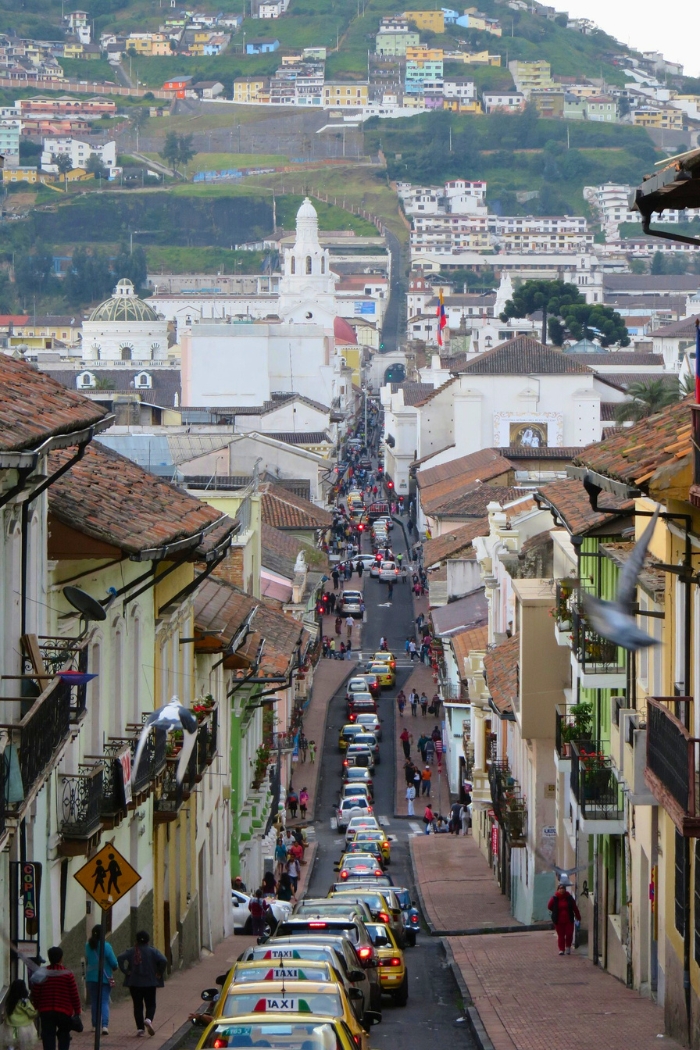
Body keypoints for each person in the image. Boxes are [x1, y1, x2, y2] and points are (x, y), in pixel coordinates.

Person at [30, 946, 81, 1050]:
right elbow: (74, 994)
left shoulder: (42, 973)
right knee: (64, 1035)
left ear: (49, 958)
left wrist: (36, 1005)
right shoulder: (68, 974)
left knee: (48, 1036)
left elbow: (36, 992)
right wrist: (77, 1010)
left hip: (46, 1011)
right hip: (64, 1011)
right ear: (61, 958)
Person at [118, 931, 166, 1038]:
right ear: (148, 940)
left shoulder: (131, 951)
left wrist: (126, 971)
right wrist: (159, 972)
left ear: (136, 940)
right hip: (150, 983)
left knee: (137, 1005)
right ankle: (148, 1019)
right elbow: (163, 960)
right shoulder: (153, 951)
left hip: (134, 983)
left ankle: (140, 1029)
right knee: (151, 1004)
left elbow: (120, 958)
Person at [85, 924, 118, 1034]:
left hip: (91, 978)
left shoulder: (87, 946)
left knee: (94, 1002)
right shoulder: (106, 946)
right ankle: (104, 1026)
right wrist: (114, 967)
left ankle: (94, 1025)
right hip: (104, 977)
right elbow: (114, 962)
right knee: (104, 1001)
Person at [547, 878, 582, 955]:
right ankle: (561, 949)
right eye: (560, 888)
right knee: (561, 935)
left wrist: (578, 916)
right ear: (558, 889)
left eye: (563, 889)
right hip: (558, 920)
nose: (562, 890)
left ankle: (568, 947)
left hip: (568, 919)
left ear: (565, 890)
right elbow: (549, 906)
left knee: (569, 934)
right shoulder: (555, 898)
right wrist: (555, 910)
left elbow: (574, 907)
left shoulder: (569, 898)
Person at [1, 979, 38, 1049]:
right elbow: (31, 1013)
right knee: (23, 1046)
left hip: (10, 1028)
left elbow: (5, 1013)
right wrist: (38, 1012)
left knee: (10, 1044)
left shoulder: (9, 1001)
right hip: (24, 1028)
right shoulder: (24, 1002)